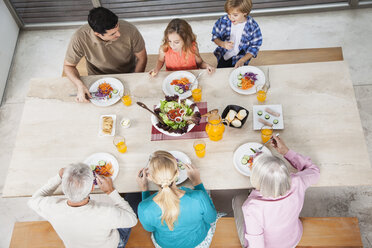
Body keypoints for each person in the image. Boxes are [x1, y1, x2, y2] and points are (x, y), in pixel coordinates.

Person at [232, 135, 320, 248]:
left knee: (238, 199)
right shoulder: (298, 181)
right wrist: (286, 151)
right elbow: (314, 171)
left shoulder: (251, 208)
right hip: (293, 237)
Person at [28, 163, 138, 248]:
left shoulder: (50, 207)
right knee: (134, 197)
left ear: (63, 186)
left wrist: (58, 177)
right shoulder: (106, 212)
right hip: (112, 245)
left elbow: (33, 200)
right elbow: (132, 220)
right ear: (92, 188)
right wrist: (111, 191)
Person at [64, 7, 147, 102]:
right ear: (98, 34)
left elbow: (142, 58)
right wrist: (79, 85)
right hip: (97, 78)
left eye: (118, 27)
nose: (119, 34)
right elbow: (68, 66)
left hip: (128, 73)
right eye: (112, 34)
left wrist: (134, 78)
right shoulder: (79, 38)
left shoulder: (130, 30)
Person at [136, 151, 218, 248]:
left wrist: (144, 189)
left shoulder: (143, 208)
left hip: (165, 245)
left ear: (150, 177)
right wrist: (197, 181)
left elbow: (149, 229)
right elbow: (211, 218)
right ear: (177, 173)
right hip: (198, 241)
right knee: (206, 194)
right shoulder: (198, 197)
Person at [149, 18, 215, 77]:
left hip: (191, 78)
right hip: (172, 79)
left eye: (176, 42)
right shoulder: (164, 49)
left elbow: (200, 63)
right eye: (169, 41)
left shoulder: (193, 48)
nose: (172, 45)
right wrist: (156, 69)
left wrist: (207, 66)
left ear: (186, 39)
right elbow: (161, 60)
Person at [211, 0, 262, 68]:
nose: (231, 17)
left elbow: (254, 47)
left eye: (235, 15)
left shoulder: (253, 26)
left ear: (245, 12)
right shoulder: (222, 20)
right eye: (229, 14)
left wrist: (242, 60)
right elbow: (215, 37)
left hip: (241, 59)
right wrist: (222, 44)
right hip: (224, 56)